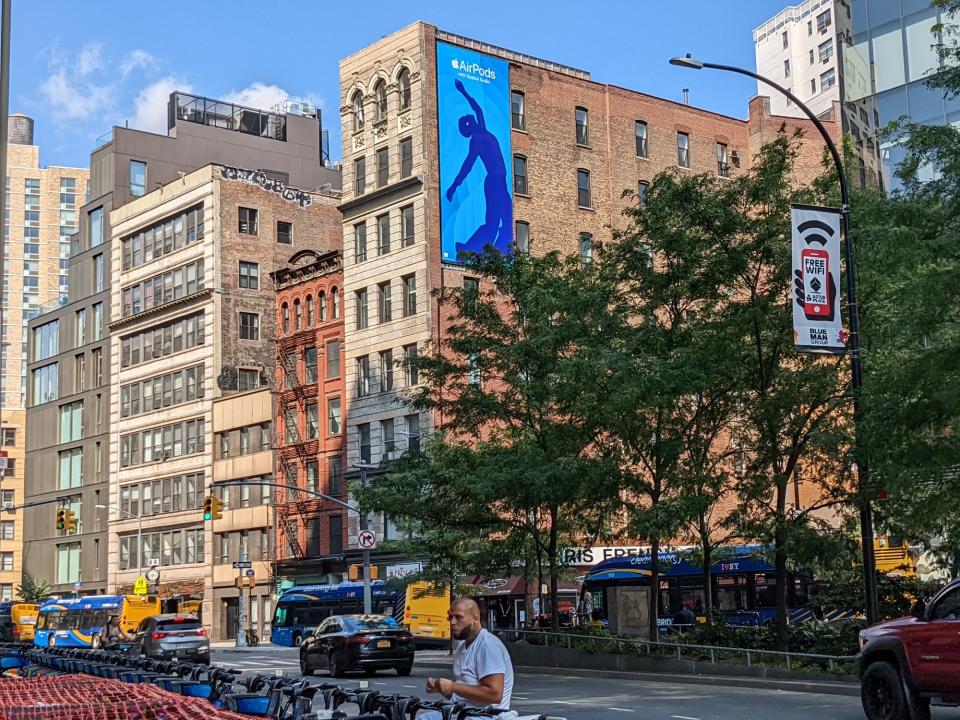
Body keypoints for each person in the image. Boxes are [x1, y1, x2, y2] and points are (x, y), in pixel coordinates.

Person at [444, 78, 512, 257]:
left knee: (506, 219)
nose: (469, 116)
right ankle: (469, 248)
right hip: (494, 182)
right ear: (468, 127)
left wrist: (463, 91)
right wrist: (453, 187)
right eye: (466, 120)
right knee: (493, 222)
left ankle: (498, 252)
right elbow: (466, 168)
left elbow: (477, 108)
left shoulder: (482, 129)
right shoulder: (477, 140)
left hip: (500, 181)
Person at [425, 597, 515, 719]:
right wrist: (443, 689)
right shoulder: (461, 647)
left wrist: (453, 686)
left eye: (458, 617)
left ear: (475, 618)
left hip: (484, 717)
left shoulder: (488, 646)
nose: (452, 622)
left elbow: (495, 695)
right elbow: (463, 695)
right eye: (450, 617)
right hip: (463, 713)